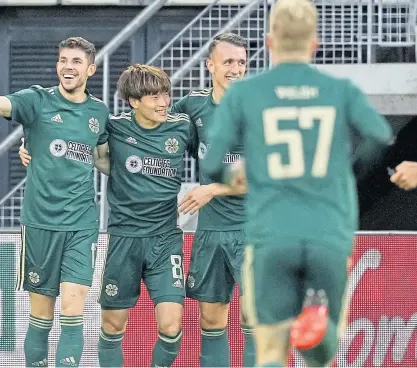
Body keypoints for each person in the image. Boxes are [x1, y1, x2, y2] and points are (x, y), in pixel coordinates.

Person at [199, 0, 394, 367]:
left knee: (270, 349)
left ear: (270, 42)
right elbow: (380, 136)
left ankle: (304, 339)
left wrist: (231, 175)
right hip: (327, 233)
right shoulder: (340, 89)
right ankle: (315, 339)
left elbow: (211, 162)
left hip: (271, 235)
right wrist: (347, 173)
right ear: (314, 43)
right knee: (322, 354)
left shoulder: (245, 93)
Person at [19, 64, 197, 367]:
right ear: (133, 101)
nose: (163, 102)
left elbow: (213, 149)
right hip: (123, 240)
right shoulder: (114, 126)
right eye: (154, 97)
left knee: (172, 326)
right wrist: (30, 148)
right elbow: (71, 135)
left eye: (166, 95)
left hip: (166, 239)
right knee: (113, 326)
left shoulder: (182, 125)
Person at [0, 37, 110, 368]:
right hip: (40, 222)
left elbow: (103, 159)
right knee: (41, 315)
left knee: (74, 308)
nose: (67, 67)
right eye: (62, 60)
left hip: (82, 224)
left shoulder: (99, 111)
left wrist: (147, 168)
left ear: (91, 69)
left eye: (75, 61)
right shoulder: (36, 100)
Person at [172, 32, 256, 367]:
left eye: (241, 62)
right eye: (228, 62)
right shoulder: (193, 106)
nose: (236, 69)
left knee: (253, 317)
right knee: (210, 321)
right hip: (210, 231)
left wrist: (212, 190)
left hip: (253, 230)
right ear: (210, 65)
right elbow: (150, 128)